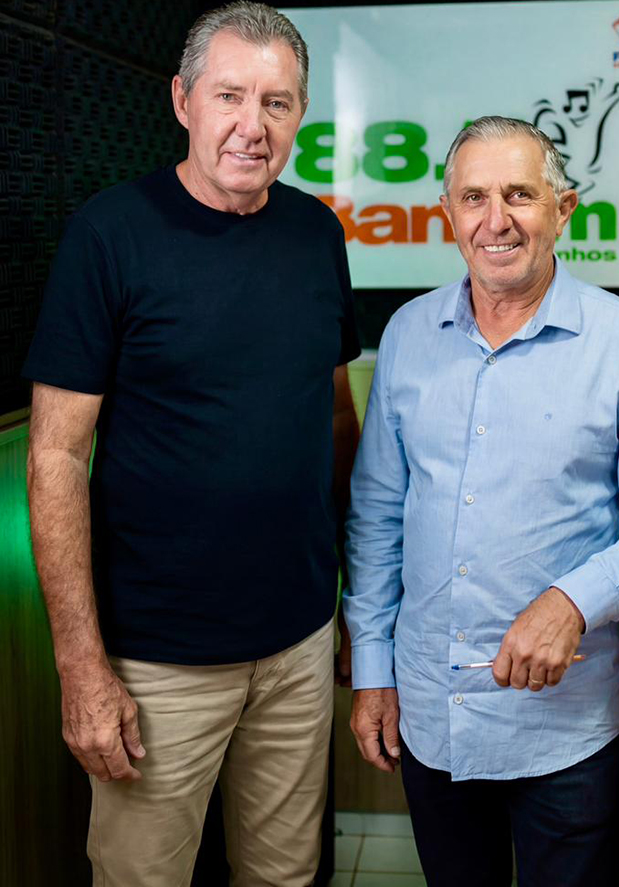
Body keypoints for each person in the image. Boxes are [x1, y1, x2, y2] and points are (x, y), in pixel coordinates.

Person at [23, 3, 360, 885]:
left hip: (298, 644)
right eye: (229, 96)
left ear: (301, 113)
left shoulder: (318, 235)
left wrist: (355, 605)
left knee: (285, 876)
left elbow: (335, 420)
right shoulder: (109, 235)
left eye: (277, 103)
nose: (253, 125)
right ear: (182, 100)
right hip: (153, 661)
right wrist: (81, 666)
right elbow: (55, 457)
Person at [344, 116, 619, 887]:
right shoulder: (409, 334)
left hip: (564, 729)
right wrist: (373, 669)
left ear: (564, 208)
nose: (497, 219)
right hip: (432, 713)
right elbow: (377, 516)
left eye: (520, 194)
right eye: (474, 197)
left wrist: (573, 599)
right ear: (447, 213)